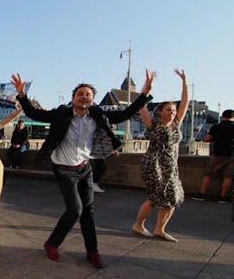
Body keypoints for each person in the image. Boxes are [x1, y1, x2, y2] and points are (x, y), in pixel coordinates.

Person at [12, 69, 155, 268]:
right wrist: (22, 95)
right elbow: (35, 113)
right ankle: (52, 244)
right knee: (75, 210)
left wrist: (144, 94)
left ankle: (92, 251)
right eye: (80, 93)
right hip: (63, 169)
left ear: (93, 100)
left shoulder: (97, 115)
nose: (84, 96)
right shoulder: (61, 113)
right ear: (73, 98)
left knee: (88, 211)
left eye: (88, 94)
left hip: (84, 167)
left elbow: (125, 113)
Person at [133, 69, 189, 242]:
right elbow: (140, 105)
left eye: (173, 110)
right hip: (154, 165)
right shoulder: (153, 124)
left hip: (171, 167)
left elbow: (185, 102)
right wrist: (147, 86)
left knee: (173, 198)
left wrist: (184, 82)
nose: (172, 113)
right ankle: (138, 225)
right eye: (168, 110)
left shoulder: (176, 124)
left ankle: (159, 229)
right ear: (160, 112)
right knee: (156, 197)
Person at [192, 109, 234, 203]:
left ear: (223, 116)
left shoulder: (216, 127)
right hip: (231, 156)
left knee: (207, 174)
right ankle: (222, 197)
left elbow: (207, 139)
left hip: (217, 154)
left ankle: (202, 194)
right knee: (228, 177)